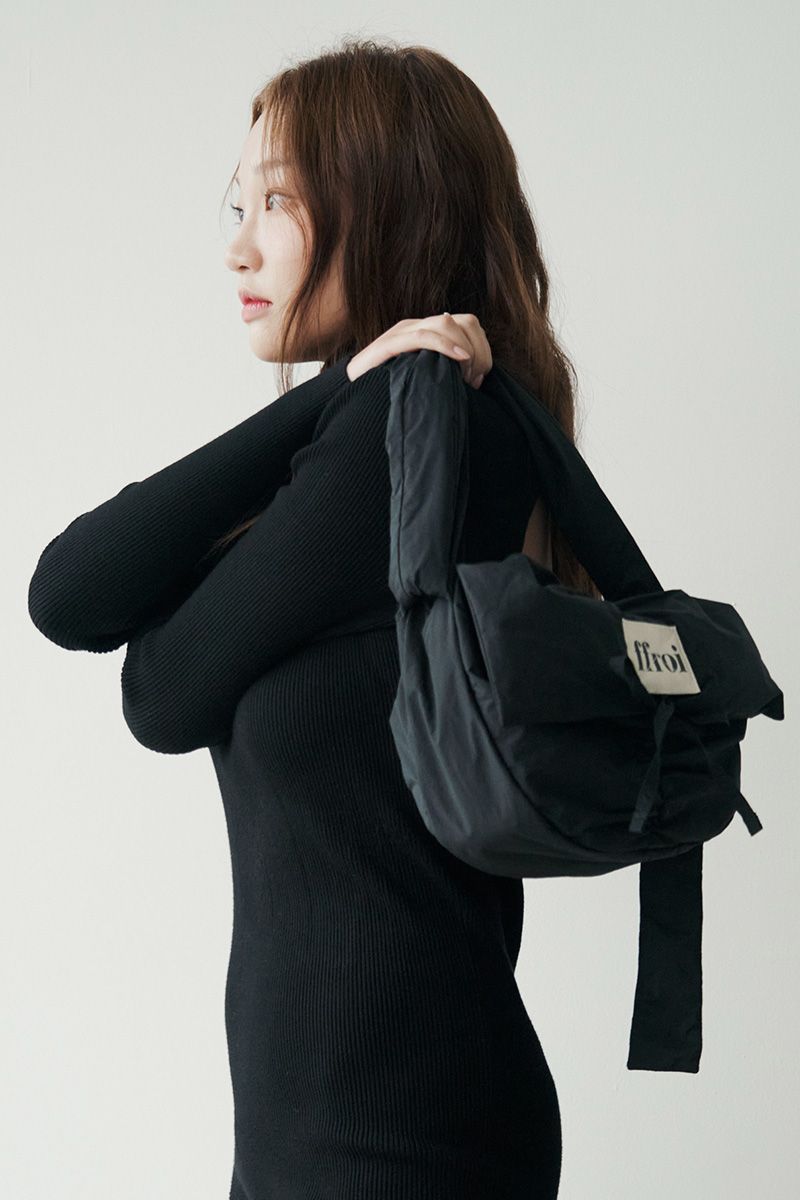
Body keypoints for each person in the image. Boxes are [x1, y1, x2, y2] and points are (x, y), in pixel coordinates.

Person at [28, 37, 601, 1200]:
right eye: (237, 204)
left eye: (280, 202)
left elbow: (156, 689)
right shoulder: (397, 422)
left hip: (382, 1138)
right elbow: (77, 592)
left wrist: (354, 395)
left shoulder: (411, 431)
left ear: (391, 203)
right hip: (356, 1121)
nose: (238, 246)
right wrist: (334, 392)